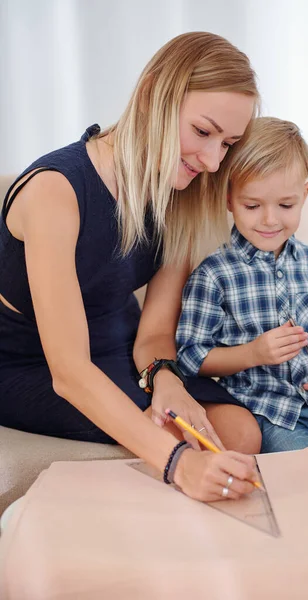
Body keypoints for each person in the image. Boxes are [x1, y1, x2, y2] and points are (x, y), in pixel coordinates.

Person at [0, 32, 263, 502]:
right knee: (183, 446)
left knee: (238, 434)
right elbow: (69, 370)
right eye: (203, 131)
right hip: (30, 361)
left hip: (121, 344)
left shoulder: (179, 194)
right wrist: (177, 465)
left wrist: (165, 379)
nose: (210, 160)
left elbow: (156, 329)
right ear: (152, 95)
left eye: (227, 143)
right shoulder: (55, 190)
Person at [176, 116, 308, 453]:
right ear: (229, 198)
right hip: (272, 413)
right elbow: (191, 358)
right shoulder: (213, 275)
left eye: (286, 205)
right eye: (252, 205)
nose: (270, 219)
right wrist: (253, 354)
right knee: (302, 476)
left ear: (304, 195)